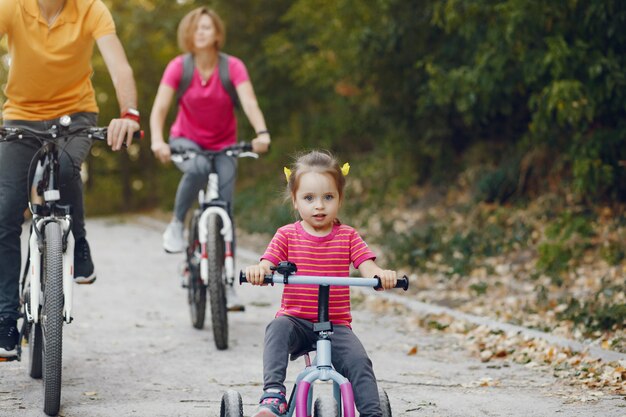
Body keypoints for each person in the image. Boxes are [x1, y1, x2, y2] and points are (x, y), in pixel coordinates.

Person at [0, 0, 141, 358]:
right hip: (21, 117)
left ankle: (78, 240)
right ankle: (5, 319)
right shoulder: (11, 8)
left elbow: (118, 66)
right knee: (7, 209)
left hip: (75, 116)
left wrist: (129, 113)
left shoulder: (91, 8)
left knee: (64, 168)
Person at [245, 150, 397, 417]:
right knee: (276, 329)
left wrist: (379, 275)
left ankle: (372, 412)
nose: (319, 206)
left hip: (336, 325)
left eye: (328, 197)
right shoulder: (287, 235)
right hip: (296, 321)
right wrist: (260, 271)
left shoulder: (348, 236)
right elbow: (268, 262)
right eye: (309, 198)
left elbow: (367, 265)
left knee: (359, 362)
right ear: (295, 201)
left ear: (340, 199)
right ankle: (273, 395)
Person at [149, 7, 270, 311]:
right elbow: (160, 109)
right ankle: (177, 223)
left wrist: (262, 132)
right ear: (188, 35)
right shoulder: (179, 67)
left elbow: (250, 101)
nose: (201, 32)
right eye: (195, 28)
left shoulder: (233, 67)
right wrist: (157, 141)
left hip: (224, 145)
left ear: (217, 34)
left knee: (225, 212)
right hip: (186, 141)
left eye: (206, 27)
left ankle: (228, 284)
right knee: (199, 168)